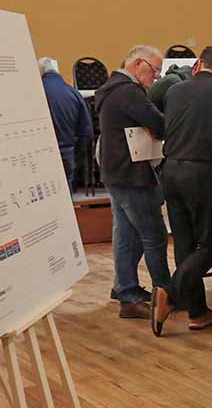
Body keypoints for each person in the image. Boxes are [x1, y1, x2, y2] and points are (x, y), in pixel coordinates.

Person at [153, 46, 212, 336]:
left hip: (170, 170)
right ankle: (170, 293)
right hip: (200, 172)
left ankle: (198, 312)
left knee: (184, 243)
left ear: (197, 65)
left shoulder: (175, 91)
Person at [95, 45, 174, 321]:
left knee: (127, 235)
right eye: (154, 70)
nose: (156, 76)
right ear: (138, 64)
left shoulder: (111, 88)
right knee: (154, 235)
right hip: (132, 175)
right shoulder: (129, 92)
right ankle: (164, 294)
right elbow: (160, 124)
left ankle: (126, 290)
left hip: (116, 172)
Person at [38, 57, 93, 193]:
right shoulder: (74, 93)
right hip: (67, 155)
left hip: (39, 157)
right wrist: (74, 152)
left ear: (40, 72)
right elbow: (86, 132)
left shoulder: (34, 92)